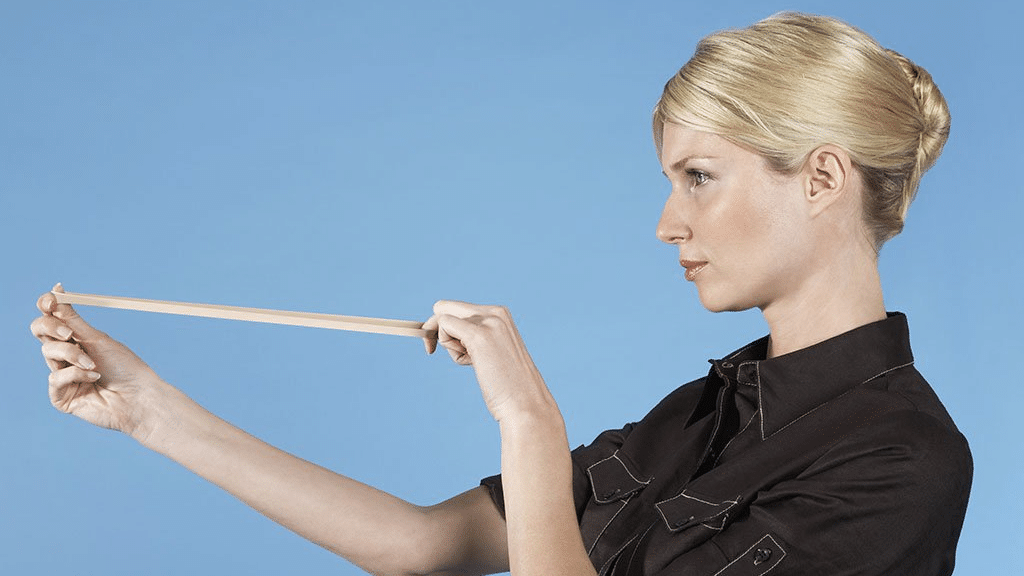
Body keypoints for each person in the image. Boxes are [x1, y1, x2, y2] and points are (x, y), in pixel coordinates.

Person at [30, 12, 971, 576]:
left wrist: (528, 421)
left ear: (819, 179)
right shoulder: (701, 416)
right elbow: (422, 546)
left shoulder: (902, 462)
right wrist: (149, 411)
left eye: (698, 177)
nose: (666, 224)